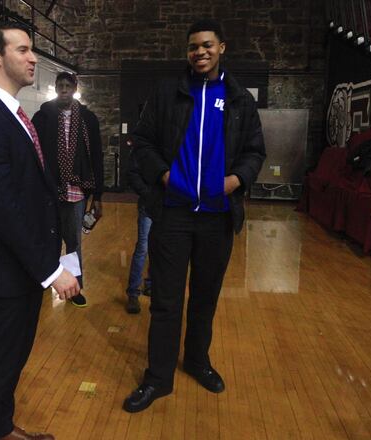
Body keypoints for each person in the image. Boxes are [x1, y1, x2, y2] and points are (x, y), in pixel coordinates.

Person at [122, 19, 265, 413]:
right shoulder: (168, 91)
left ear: (222, 47)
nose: (199, 53)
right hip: (173, 215)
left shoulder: (239, 99)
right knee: (166, 302)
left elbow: (255, 150)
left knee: (205, 299)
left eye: (206, 46)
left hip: (217, 218)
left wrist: (237, 179)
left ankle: (198, 362)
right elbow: (142, 141)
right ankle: (158, 378)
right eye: (192, 48)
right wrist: (164, 174)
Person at [0, 21, 80, 440]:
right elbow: (3, 209)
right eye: (23, 50)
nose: (33, 58)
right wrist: (51, 269)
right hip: (6, 272)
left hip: (22, 269)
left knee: (11, 360)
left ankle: (1, 430)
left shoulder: (12, 115)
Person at [32, 72, 104, 308]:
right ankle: (46, 282)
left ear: (74, 88)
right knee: (49, 240)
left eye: (68, 86)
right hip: (49, 190)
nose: (64, 90)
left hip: (76, 189)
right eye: (60, 86)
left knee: (73, 242)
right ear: (55, 89)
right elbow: (34, 154)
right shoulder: (42, 116)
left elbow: (96, 157)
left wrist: (98, 196)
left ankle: (75, 288)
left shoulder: (87, 119)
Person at [124, 154, 153, 314]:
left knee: (160, 247)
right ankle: (133, 293)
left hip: (169, 204)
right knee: (143, 247)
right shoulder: (144, 142)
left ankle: (151, 284)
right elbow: (133, 172)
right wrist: (147, 193)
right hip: (149, 203)